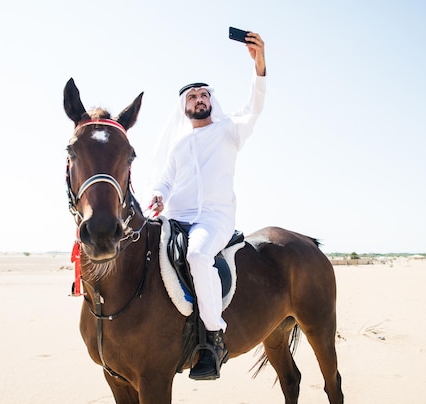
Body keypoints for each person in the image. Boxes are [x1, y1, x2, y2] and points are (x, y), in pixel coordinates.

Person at [149, 31, 266, 380]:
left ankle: (214, 338)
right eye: (193, 96)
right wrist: (157, 194)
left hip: (213, 219)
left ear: (211, 101)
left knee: (199, 256)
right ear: (184, 106)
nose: (199, 99)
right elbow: (166, 181)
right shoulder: (179, 145)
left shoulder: (229, 131)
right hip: (176, 217)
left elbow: (255, 107)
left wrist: (259, 65)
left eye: (204, 95)